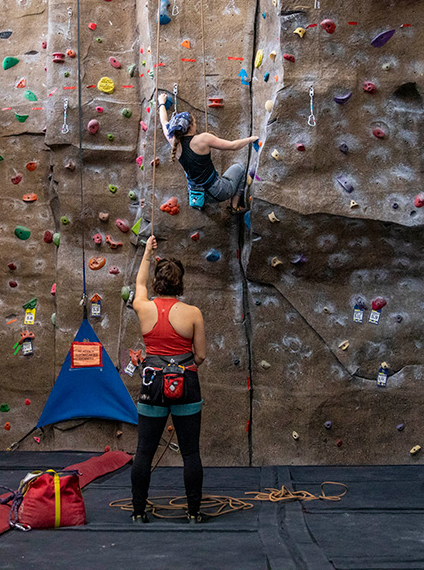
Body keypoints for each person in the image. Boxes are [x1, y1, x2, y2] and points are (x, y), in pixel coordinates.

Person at [131, 235, 207, 524]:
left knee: (144, 451)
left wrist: (148, 254)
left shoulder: (143, 306)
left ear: (157, 284)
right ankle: (193, 512)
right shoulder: (193, 313)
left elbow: (139, 284)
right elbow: (200, 356)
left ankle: (138, 512)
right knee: (190, 452)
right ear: (180, 284)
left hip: (153, 384)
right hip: (186, 382)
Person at [158, 92, 258, 213]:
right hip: (218, 191)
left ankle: (204, 205)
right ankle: (234, 206)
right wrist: (250, 139)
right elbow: (233, 146)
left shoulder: (174, 142)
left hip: (197, 195)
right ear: (190, 127)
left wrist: (161, 103)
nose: (195, 125)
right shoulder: (203, 139)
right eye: (194, 123)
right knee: (240, 168)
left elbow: (164, 121)